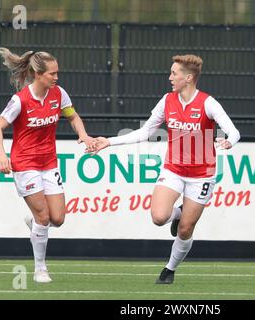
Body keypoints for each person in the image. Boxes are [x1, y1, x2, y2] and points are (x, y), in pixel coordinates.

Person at [87, 54, 240, 284]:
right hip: (174, 169)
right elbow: (146, 131)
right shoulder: (167, 100)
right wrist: (110, 141)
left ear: (188, 78)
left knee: (186, 230)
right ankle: (177, 213)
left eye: (174, 73)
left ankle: (169, 270)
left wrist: (229, 141)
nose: (170, 77)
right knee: (159, 217)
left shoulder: (208, 103)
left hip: (202, 175)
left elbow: (234, 131)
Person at [0, 48, 93, 283]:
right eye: (52, 74)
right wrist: (1, 155)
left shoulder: (58, 94)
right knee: (44, 216)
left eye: (57, 73)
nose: (56, 78)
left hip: (49, 163)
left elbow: (73, 116)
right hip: (25, 164)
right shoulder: (21, 100)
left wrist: (84, 135)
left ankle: (35, 223)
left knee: (58, 218)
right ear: (38, 74)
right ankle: (40, 269)